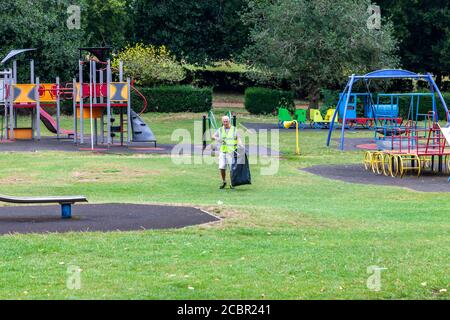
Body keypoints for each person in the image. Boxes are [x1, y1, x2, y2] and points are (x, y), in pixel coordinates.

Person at [212, 116, 243, 189]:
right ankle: (224, 182)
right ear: (222, 122)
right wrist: (217, 138)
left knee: (232, 168)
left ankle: (232, 183)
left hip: (231, 152)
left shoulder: (234, 129)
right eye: (224, 121)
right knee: (222, 167)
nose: (225, 123)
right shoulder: (220, 129)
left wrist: (240, 145)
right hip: (223, 151)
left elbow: (238, 138)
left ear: (229, 121)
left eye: (226, 121)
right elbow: (213, 136)